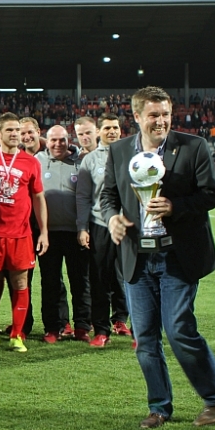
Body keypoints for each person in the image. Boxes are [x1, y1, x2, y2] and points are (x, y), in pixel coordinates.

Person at [102, 86, 215, 429]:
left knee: (178, 330)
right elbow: (108, 196)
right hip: (137, 257)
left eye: (166, 114)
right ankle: (159, 406)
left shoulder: (193, 146)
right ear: (137, 116)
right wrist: (112, 218)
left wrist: (175, 206)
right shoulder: (118, 151)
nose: (161, 121)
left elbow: (211, 194)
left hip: (177, 255)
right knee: (145, 338)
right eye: (153, 115)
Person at [0, 113, 48, 354]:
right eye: (10, 130)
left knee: (20, 283)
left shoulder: (30, 162)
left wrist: (44, 232)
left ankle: (17, 335)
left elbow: (38, 198)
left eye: (17, 129)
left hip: (20, 234)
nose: (15, 133)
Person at [76, 112, 131, 347]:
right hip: (100, 225)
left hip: (129, 226)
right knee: (100, 278)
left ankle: (126, 322)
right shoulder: (90, 160)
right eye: (107, 128)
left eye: (115, 127)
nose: (112, 131)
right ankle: (101, 330)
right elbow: (83, 196)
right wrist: (82, 227)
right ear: (99, 131)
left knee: (132, 277)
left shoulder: (132, 154)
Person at [36, 125, 91, 343]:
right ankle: (53, 327)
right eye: (53, 140)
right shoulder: (38, 161)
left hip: (76, 232)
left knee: (80, 281)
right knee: (50, 282)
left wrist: (83, 227)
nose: (57, 144)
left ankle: (82, 326)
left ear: (69, 141)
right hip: (48, 234)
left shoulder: (81, 161)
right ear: (46, 141)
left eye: (62, 140)